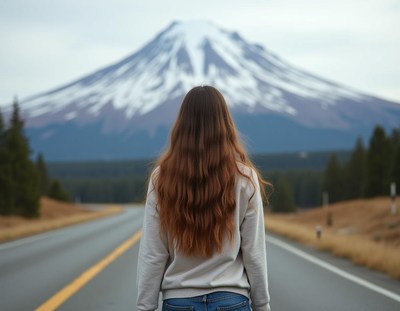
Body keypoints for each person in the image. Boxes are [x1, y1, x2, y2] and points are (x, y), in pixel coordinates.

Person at [137, 86, 271, 311]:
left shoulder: (161, 179)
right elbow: (254, 254)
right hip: (232, 301)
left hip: (178, 302)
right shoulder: (245, 178)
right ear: (225, 124)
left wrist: (145, 307)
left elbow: (153, 254)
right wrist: (263, 306)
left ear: (182, 125)